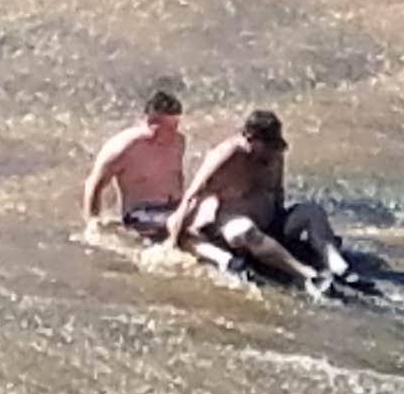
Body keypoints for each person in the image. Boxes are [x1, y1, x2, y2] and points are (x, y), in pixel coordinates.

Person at [164, 108, 350, 290]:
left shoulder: (275, 155)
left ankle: (335, 262)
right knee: (242, 231)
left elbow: (278, 192)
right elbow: (192, 194)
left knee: (312, 211)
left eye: (274, 146)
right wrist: (172, 241)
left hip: (271, 222)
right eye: (268, 146)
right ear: (251, 138)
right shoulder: (226, 155)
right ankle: (307, 274)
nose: (272, 152)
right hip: (237, 225)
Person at [81, 85, 190, 237]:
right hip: (141, 213)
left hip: (174, 207)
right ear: (152, 123)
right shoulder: (123, 148)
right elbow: (93, 184)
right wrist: (92, 222)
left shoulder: (178, 141)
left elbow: (177, 176)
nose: (172, 134)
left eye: (175, 127)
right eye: (166, 129)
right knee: (182, 227)